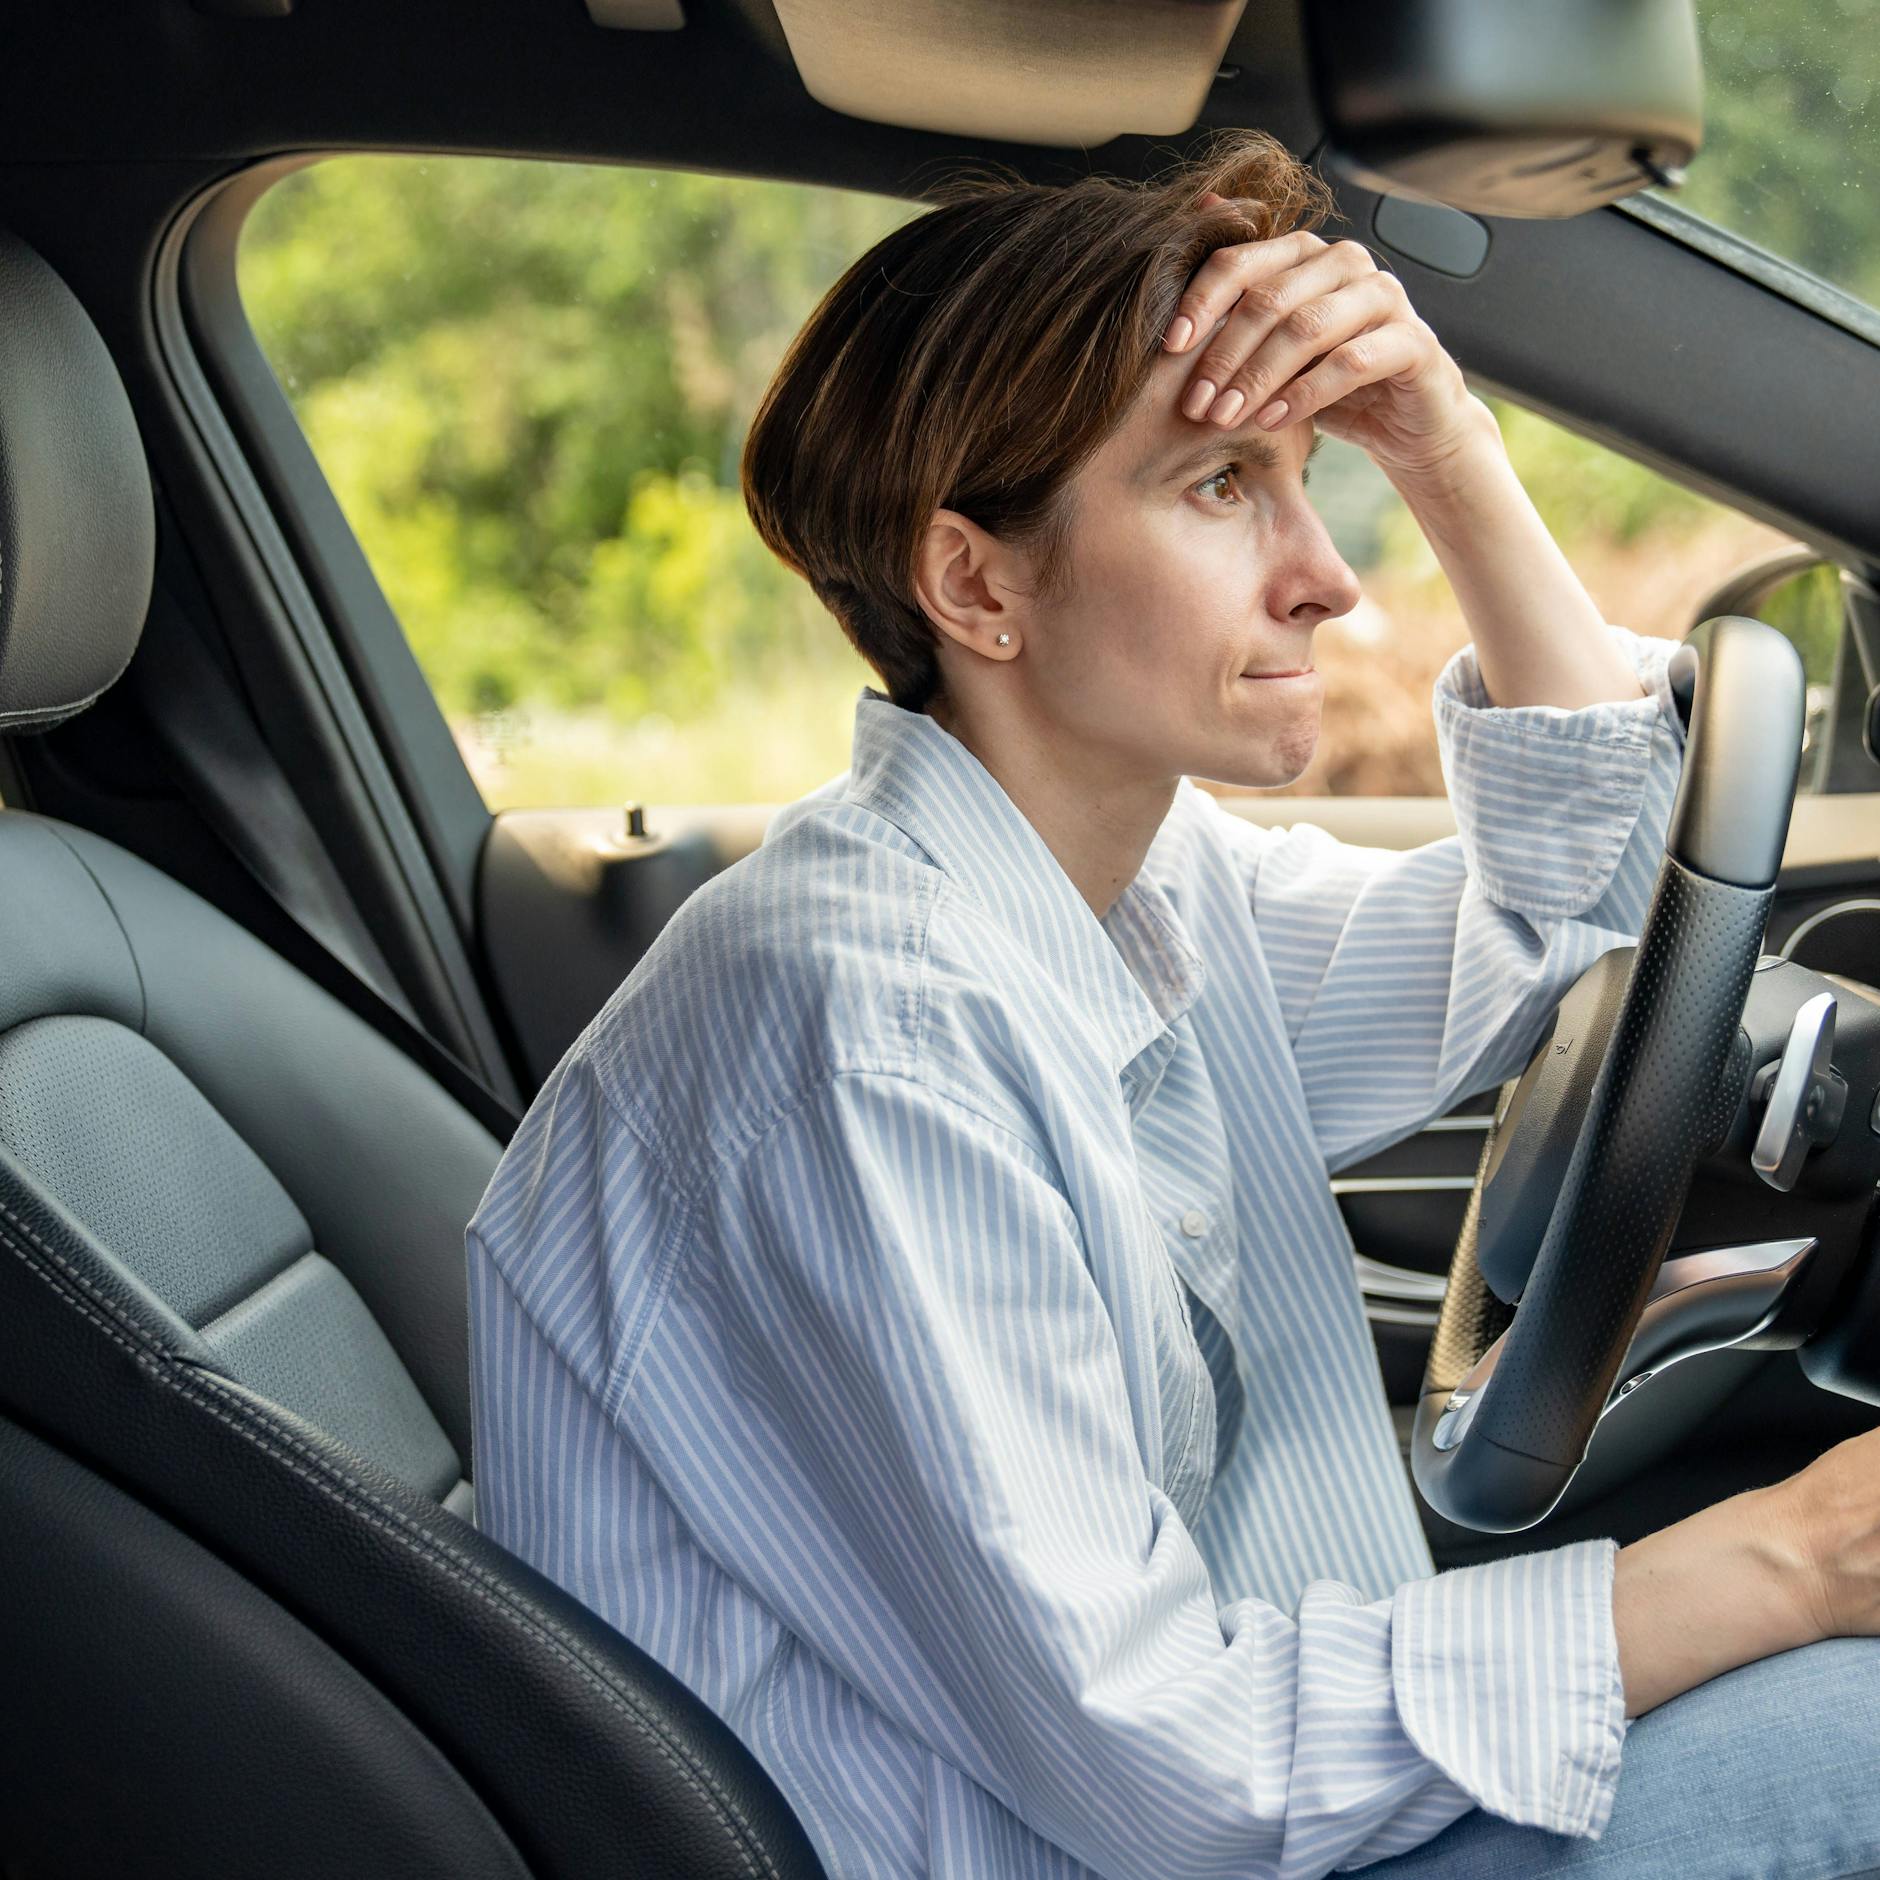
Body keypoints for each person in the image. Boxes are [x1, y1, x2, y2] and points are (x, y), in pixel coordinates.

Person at [463, 128, 1880, 1879]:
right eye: (1222, 486)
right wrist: (1791, 1561)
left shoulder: (1130, 881)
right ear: (976, 581)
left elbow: (1563, 907)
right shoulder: (865, 1034)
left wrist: (1444, 438)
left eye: (1311, 478)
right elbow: (1171, 1773)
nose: (1328, 578)